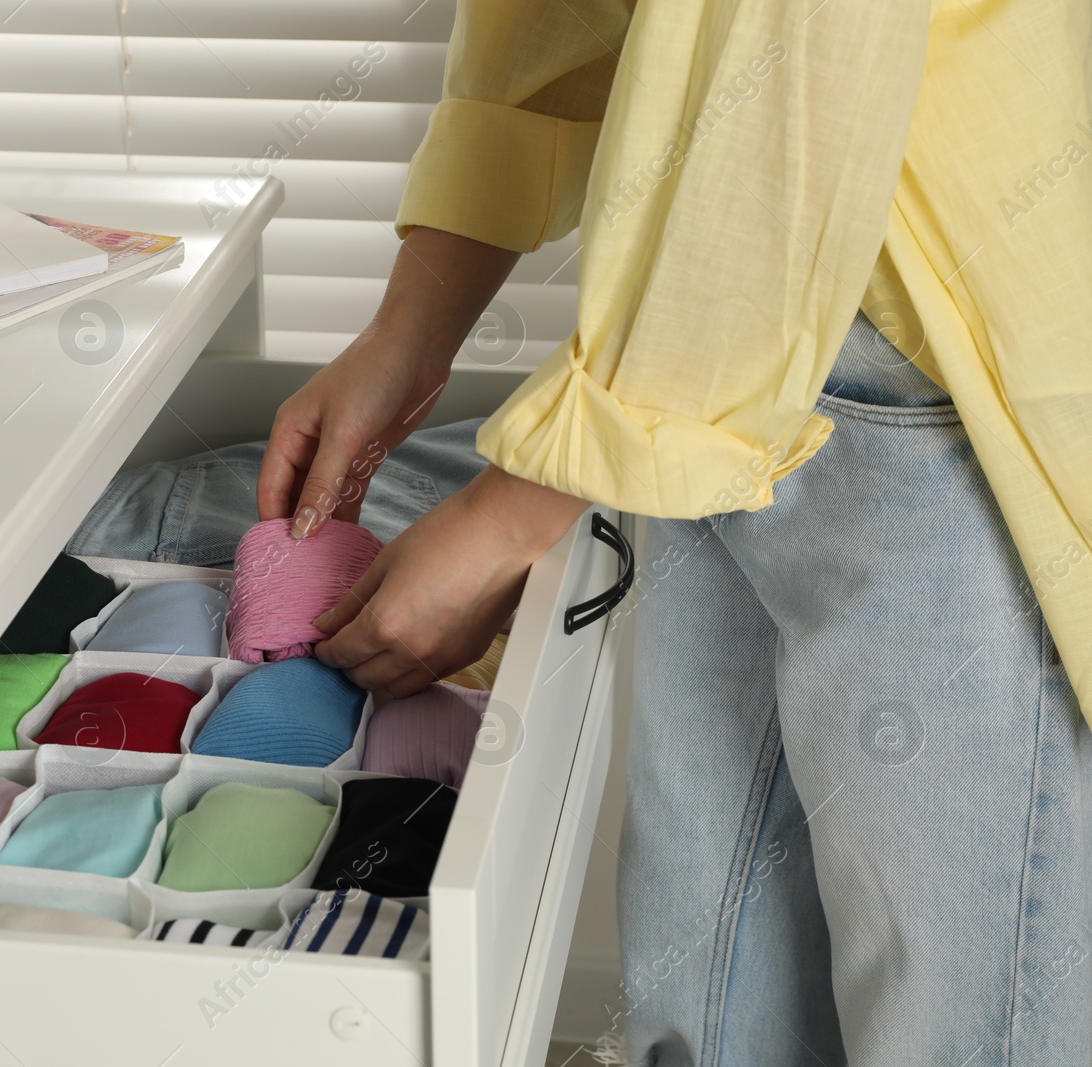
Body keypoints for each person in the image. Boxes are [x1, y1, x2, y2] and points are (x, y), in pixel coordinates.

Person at [255, 1, 1092, 1064]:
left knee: (956, 1020)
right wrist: (409, 327)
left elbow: (798, 73)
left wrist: (517, 508)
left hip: (917, 331)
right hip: (708, 356)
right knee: (713, 968)